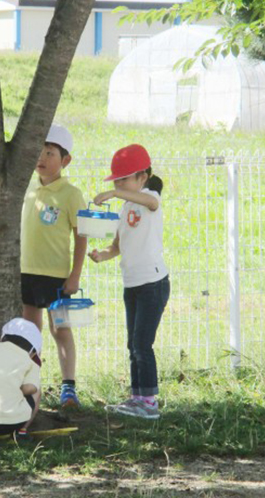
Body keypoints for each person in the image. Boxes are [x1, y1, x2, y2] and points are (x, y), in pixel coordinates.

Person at [88, 144, 170, 420]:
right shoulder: (125, 208)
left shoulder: (150, 198)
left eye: (124, 179)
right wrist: (103, 255)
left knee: (142, 343)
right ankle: (137, 397)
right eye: (117, 180)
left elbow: (151, 203)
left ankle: (149, 403)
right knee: (133, 343)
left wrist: (113, 192)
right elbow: (118, 244)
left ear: (143, 177)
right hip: (132, 284)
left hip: (152, 283)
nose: (120, 184)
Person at [20, 124, 87, 408]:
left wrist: (74, 275)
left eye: (50, 153)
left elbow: (80, 235)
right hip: (25, 273)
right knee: (29, 331)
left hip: (57, 276)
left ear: (65, 160)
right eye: (39, 151)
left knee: (61, 330)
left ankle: (68, 387)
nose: (42, 158)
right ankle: (31, 385)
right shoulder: (26, 188)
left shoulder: (71, 194)